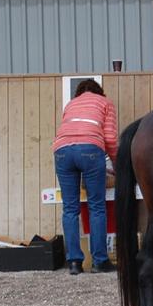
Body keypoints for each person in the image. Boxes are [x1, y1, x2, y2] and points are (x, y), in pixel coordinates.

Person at [52, 78, 118, 275]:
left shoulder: (70, 104)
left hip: (62, 151)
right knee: (96, 206)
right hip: (90, 149)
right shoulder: (105, 103)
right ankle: (100, 261)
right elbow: (111, 138)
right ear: (99, 92)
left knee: (70, 209)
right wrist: (115, 164)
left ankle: (74, 262)